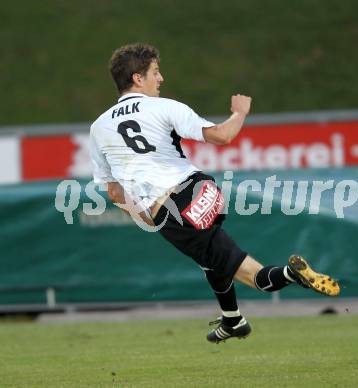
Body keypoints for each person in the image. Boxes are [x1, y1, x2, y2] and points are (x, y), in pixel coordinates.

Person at [89, 43, 340, 343]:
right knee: (211, 260)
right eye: (155, 72)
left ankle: (290, 274)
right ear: (137, 78)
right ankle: (233, 320)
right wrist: (237, 115)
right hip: (202, 188)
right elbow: (222, 135)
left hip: (172, 211)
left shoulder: (99, 127)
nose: (161, 78)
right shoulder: (166, 107)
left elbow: (114, 191)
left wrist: (143, 216)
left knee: (253, 276)